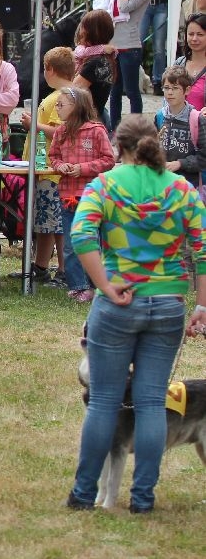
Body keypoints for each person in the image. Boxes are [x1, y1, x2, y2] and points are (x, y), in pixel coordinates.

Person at [67, 114, 206, 514]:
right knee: (150, 403)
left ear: (119, 146)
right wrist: (200, 305)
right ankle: (142, 499)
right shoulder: (181, 189)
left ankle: (82, 495)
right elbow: (203, 249)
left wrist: (105, 286)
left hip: (117, 304)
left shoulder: (106, 184)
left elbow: (80, 235)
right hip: (167, 305)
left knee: (104, 403)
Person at [48, 86, 116, 303]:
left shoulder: (96, 130)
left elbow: (109, 160)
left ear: (77, 106)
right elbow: (54, 156)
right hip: (67, 196)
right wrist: (62, 166)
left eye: (61, 104)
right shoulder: (61, 132)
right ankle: (78, 285)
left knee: (92, 242)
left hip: (92, 198)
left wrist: (83, 168)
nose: (57, 108)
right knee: (70, 244)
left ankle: (96, 284)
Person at [14, 46, 74, 288]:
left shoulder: (60, 99)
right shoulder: (64, 95)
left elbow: (63, 131)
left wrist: (34, 125)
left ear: (49, 70)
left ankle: (63, 270)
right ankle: (40, 266)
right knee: (45, 223)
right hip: (45, 171)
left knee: (57, 224)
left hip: (53, 172)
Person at [92, 0, 152, 130]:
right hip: (113, 46)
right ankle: (115, 129)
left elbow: (125, 6)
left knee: (132, 91)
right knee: (114, 90)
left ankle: (135, 128)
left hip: (130, 46)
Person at [155, 66, 206, 187]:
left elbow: (204, 158)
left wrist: (180, 163)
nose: (170, 92)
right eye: (166, 88)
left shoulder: (197, 119)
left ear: (187, 90)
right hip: (162, 183)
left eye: (175, 88)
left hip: (188, 185)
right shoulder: (160, 116)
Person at [71, 9, 118, 128]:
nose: (80, 30)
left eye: (83, 27)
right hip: (99, 115)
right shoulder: (106, 57)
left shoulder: (95, 62)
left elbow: (72, 90)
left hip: (88, 121)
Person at [173, 12, 206, 110]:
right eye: (191, 34)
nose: (194, 39)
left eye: (200, 34)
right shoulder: (179, 63)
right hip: (177, 123)